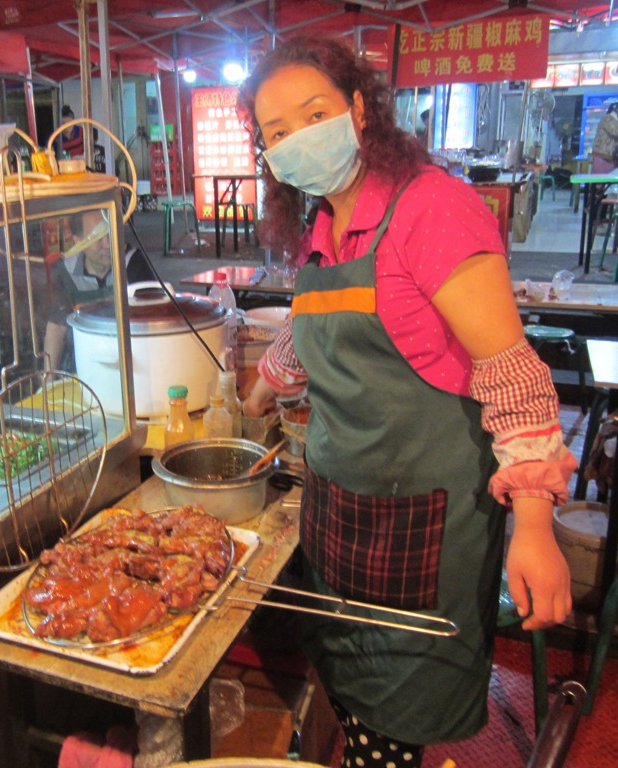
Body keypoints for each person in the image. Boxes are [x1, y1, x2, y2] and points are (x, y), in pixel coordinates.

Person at [239, 37, 575, 767]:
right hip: (341, 514)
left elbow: (513, 375)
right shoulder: (324, 227)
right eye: (276, 133)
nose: (297, 139)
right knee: (353, 692)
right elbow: (309, 333)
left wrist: (536, 526)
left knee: (391, 713)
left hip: (420, 531)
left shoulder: (433, 210)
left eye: (314, 113)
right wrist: (263, 384)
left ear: (359, 109)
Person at [43, 209, 152, 371]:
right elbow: (57, 328)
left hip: (131, 363)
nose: (108, 244)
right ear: (78, 241)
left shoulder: (133, 264)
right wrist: (47, 381)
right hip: (84, 360)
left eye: (110, 233)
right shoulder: (67, 272)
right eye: (98, 238)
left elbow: (151, 320)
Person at [590, 101, 618, 174]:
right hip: (602, 157)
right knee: (601, 182)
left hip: (612, 158)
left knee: (611, 183)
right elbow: (615, 131)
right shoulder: (607, 119)